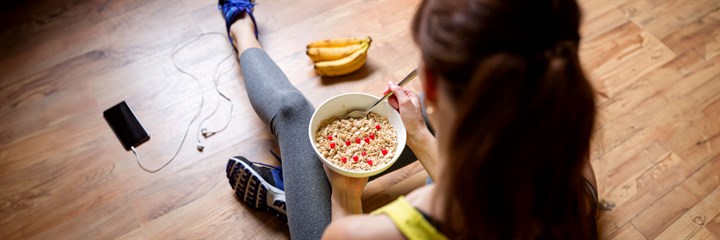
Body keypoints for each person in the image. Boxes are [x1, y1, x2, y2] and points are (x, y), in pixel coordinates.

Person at [220, 0, 599, 238]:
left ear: (429, 84)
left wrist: (345, 193)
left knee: (293, 114)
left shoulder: (369, 234)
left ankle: (240, 25)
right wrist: (417, 133)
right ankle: (300, 189)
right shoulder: (573, 178)